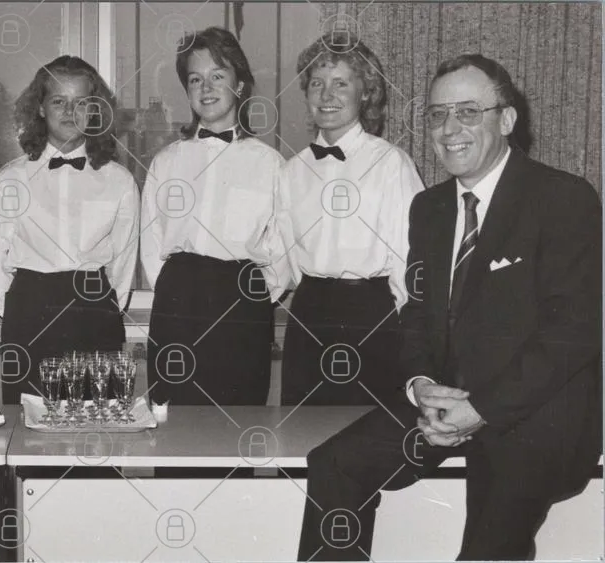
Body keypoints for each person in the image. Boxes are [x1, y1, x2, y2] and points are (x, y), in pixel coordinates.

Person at [297, 54, 602, 561]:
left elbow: (572, 333)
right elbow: (416, 314)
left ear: (507, 119)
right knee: (333, 465)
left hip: (533, 420)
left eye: (468, 112)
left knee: (484, 549)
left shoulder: (562, 198)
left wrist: (480, 410)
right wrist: (420, 385)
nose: (449, 128)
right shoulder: (430, 208)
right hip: (442, 406)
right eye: (438, 114)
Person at [141, 27, 288, 406]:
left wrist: (254, 298)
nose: (206, 87)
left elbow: (282, 247)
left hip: (242, 302)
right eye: (195, 79)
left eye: (217, 76)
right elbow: (151, 241)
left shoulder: (269, 164)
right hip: (178, 302)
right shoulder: (166, 162)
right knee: (174, 416)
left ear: (239, 84)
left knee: (238, 416)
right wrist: (176, 290)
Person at [0, 55, 139, 405]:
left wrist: (102, 308)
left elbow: (124, 262)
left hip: (96, 312)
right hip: (30, 314)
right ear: (40, 107)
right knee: (29, 427)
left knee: (98, 423)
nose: (70, 111)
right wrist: (23, 313)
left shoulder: (119, 181)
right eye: (58, 101)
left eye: (81, 102)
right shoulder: (9, 180)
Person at [276, 33, 424, 407]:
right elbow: (286, 254)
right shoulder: (292, 171)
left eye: (341, 83)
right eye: (317, 83)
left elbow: (409, 259)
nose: (327, 95)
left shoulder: (391, 164)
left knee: (369, 429)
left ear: (366, 93)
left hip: (371, 316)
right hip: (309, 312)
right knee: (303, 429)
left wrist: (397, 332)